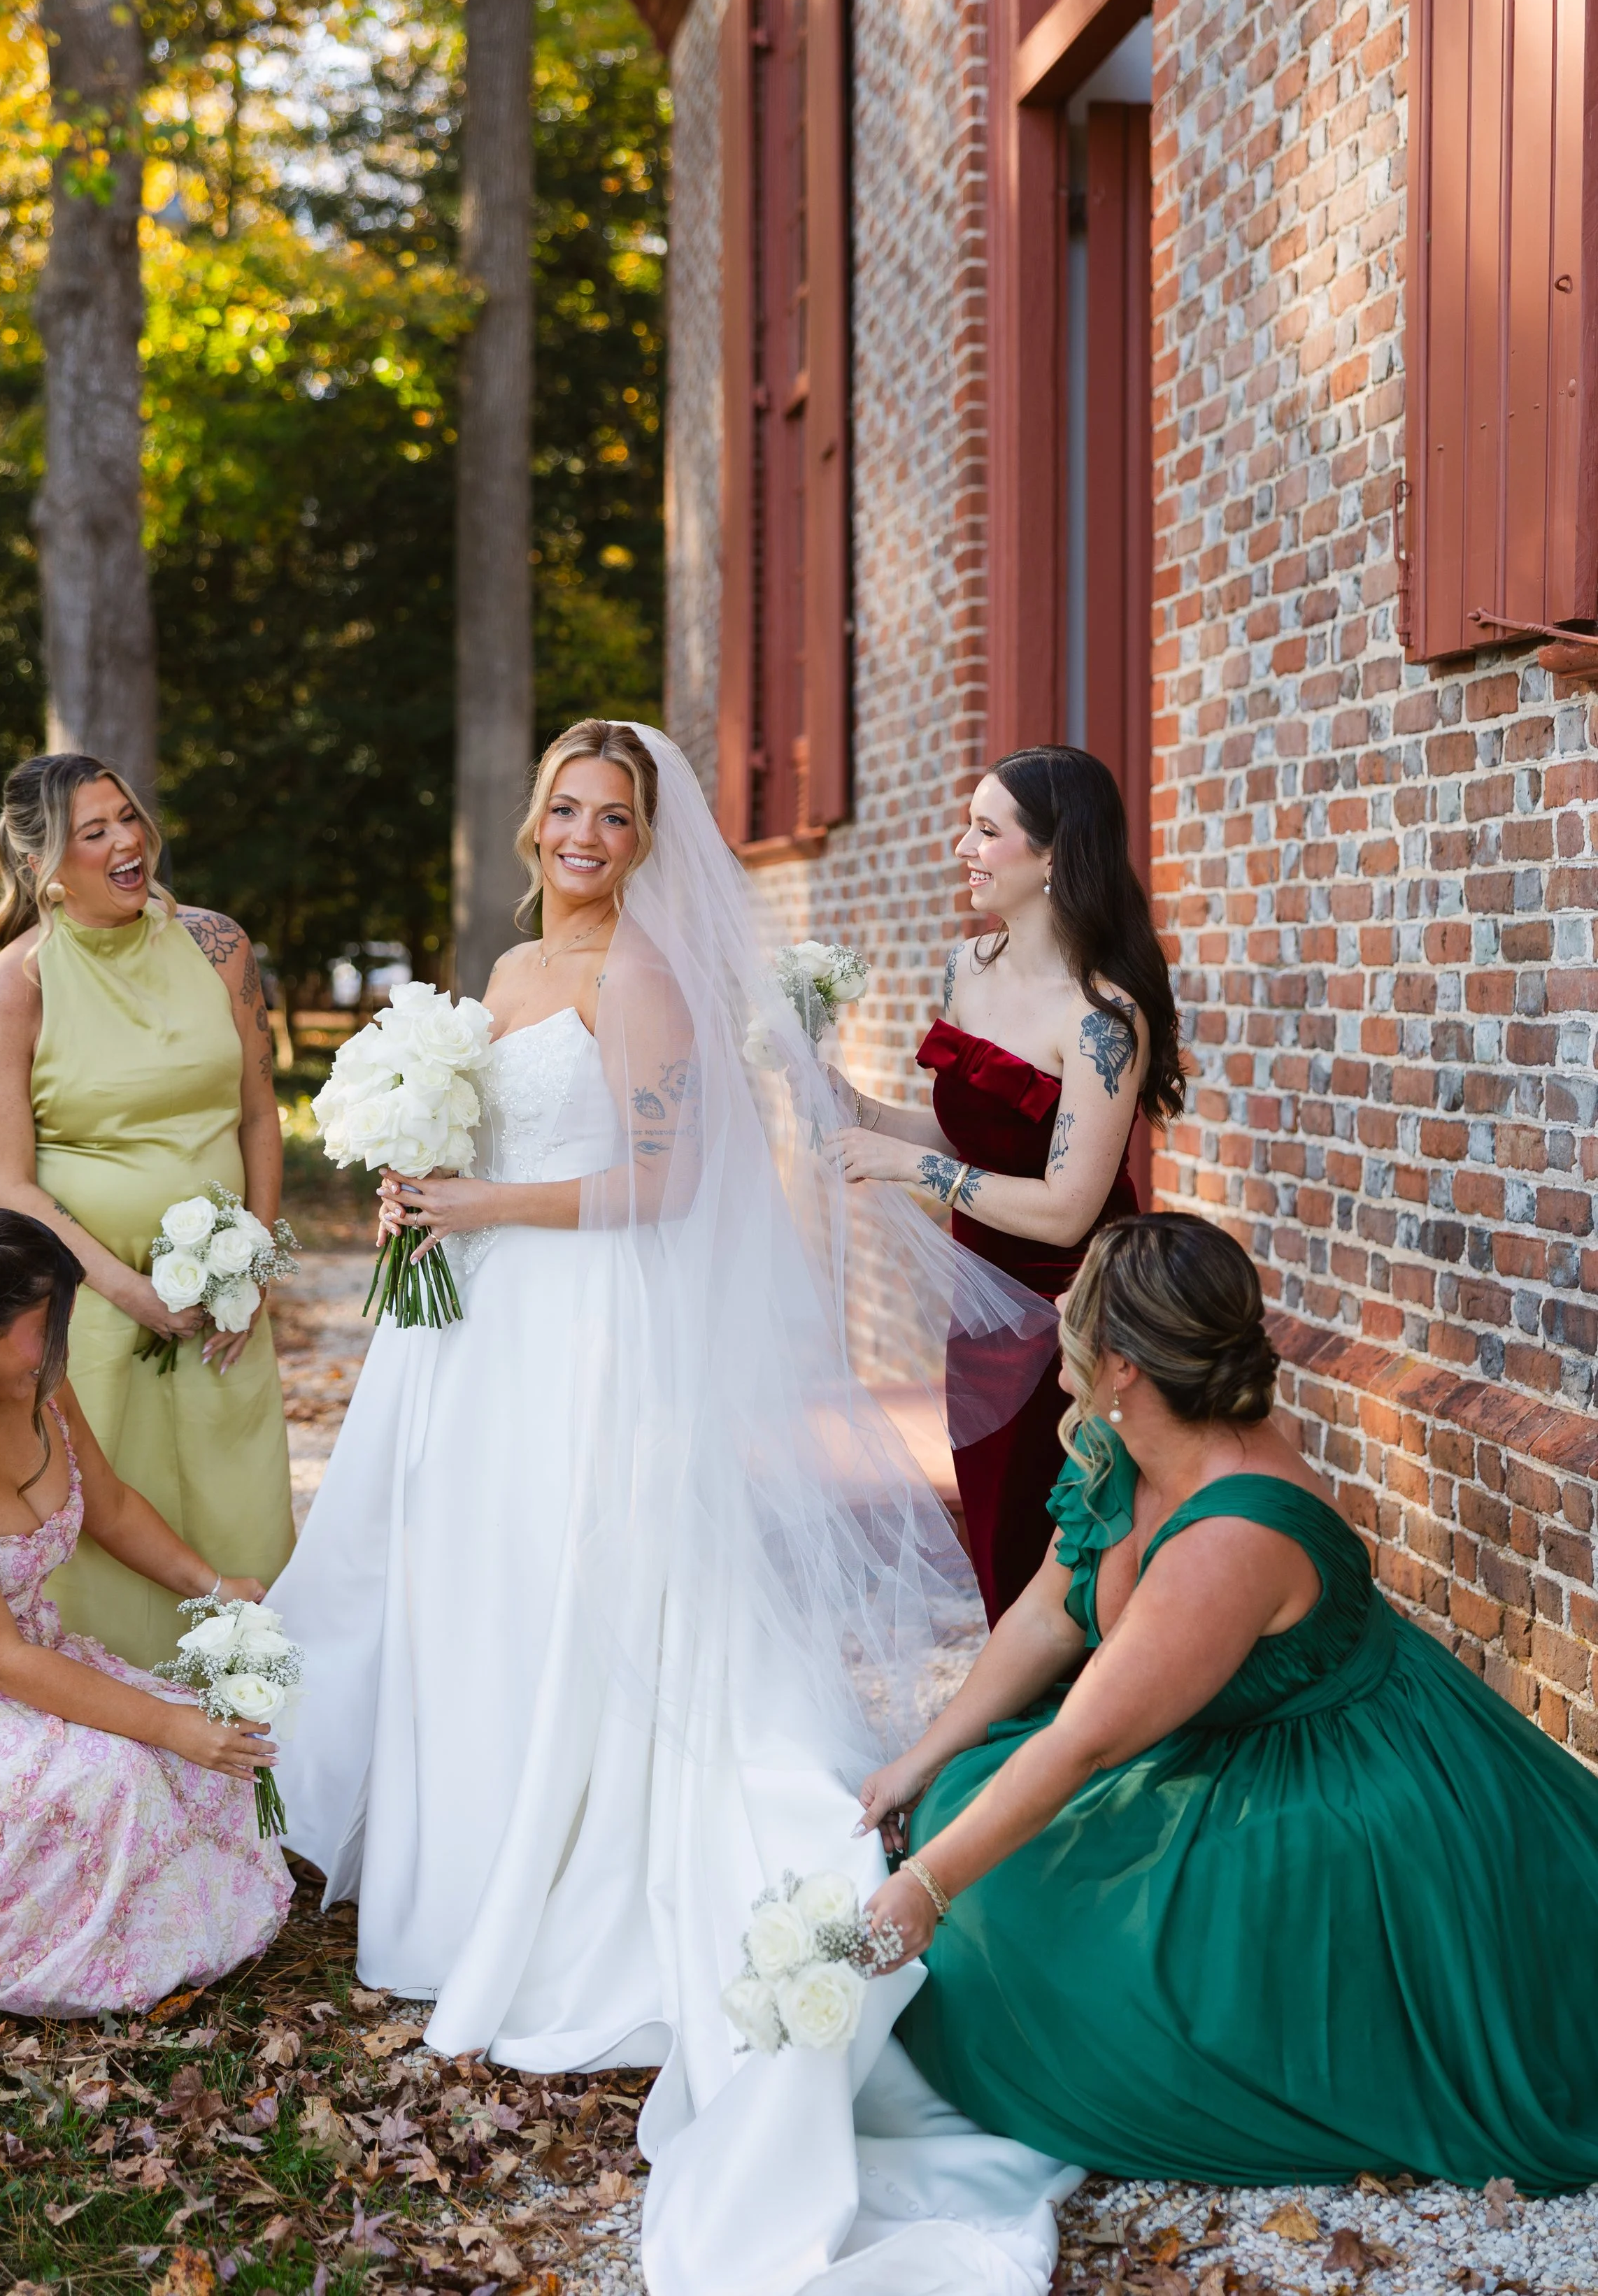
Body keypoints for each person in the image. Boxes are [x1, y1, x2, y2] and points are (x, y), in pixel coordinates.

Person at [270, 719, 1062, 2296]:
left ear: (645, 839)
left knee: (583, 1599)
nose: (581, 832)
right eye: (562, 806)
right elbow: (491, 1139)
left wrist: (477, 1199)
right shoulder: (501, 976)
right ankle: (475, 1864)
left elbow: (662, 1188)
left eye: (611, 814)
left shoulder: (642, 978)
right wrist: (418, 1177)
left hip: (590, 1343)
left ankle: (582, 1895)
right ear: (533, 823)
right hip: (486, 1332)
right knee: (478, 1595)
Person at [849, 1213, 1598, 2197]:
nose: (1052, 1328)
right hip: (1215, 1740)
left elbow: (1078, 1743)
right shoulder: (1130, 1442)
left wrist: (928, 1890)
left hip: (1335, 1788)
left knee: (1023, 1918)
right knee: (963, 1813)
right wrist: (927, 1752)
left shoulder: (1230, 1535)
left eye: (1073, 1321)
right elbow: (1048, 1614)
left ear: (1124, 1368)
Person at [0, 1210, 291, 2018]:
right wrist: (163, 1727)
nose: (59, 1355)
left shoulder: (37, 1392)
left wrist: (216, 1586)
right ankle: (53, 1959)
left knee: (207, 1736)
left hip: (24, 1661)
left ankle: (174, 1936)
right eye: (46, 1331)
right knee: (117, 1770)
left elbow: (112, 1507)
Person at [831, 746, 1183, 1619]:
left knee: (1062, 1551)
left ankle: (1072, 1732)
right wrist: (855, 1110)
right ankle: (1010, 1734)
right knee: (994, 1532)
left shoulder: (1104, 1017)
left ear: (1055, 856)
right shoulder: (967, 970)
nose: (964, 846)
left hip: (1075, 1318)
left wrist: (909, 1168)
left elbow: (1066, 1212)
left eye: (987, 831)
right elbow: (966, 1132)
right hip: (980, 1304)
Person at [0, 752, 294, 1670]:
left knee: (240, 1507)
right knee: (110, 1517)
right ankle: (128, 1746)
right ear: (43, 866)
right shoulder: (16, 986)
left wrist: (254, 1263)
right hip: (91, 1306)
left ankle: (254, 1732)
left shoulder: (219, 944)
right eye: (93, 831)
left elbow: (260, 1110)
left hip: (226, 1302)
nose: (125, 842)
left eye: (129, 818)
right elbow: (10, 1185)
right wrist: (126, 1289)